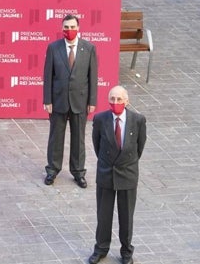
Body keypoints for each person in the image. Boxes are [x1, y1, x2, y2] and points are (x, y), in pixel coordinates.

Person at [88, 85, 146, 264]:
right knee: (103, 215)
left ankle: (126, 251)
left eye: (119, 99)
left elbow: (139, 147)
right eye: (112, 99)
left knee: (126, 216)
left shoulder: (138, 120)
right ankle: (101, 249)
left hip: (127, 174)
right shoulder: (100, 119)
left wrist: (125, 162)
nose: (116, 103)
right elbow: (97, 146)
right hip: (106, 173)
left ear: (127, 101)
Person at [43, 14, 98, 188]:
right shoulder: (53, 48)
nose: (69, 30)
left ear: (78, 28)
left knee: (79, 139)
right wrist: (47, 100)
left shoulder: (89, 48)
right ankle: (52, 170)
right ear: (62, 29)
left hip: (80, 102)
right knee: (55, 138)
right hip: (58, 101)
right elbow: (48, 76)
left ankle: (78, 172)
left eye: (72, 27)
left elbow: (93, 77)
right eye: (66, 27)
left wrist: (92, 101)